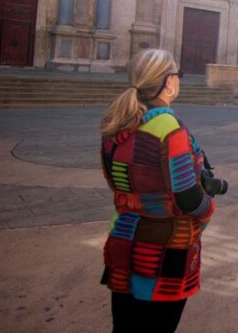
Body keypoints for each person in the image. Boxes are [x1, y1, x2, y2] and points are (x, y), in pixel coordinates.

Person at [99, 49, 216, 332]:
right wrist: (208, 210)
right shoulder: (169, 128)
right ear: (168, 82)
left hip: (124, 241)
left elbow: (116, 182)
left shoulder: (118, 122)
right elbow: (187, 196)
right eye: (177, 74)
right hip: (164, 251)